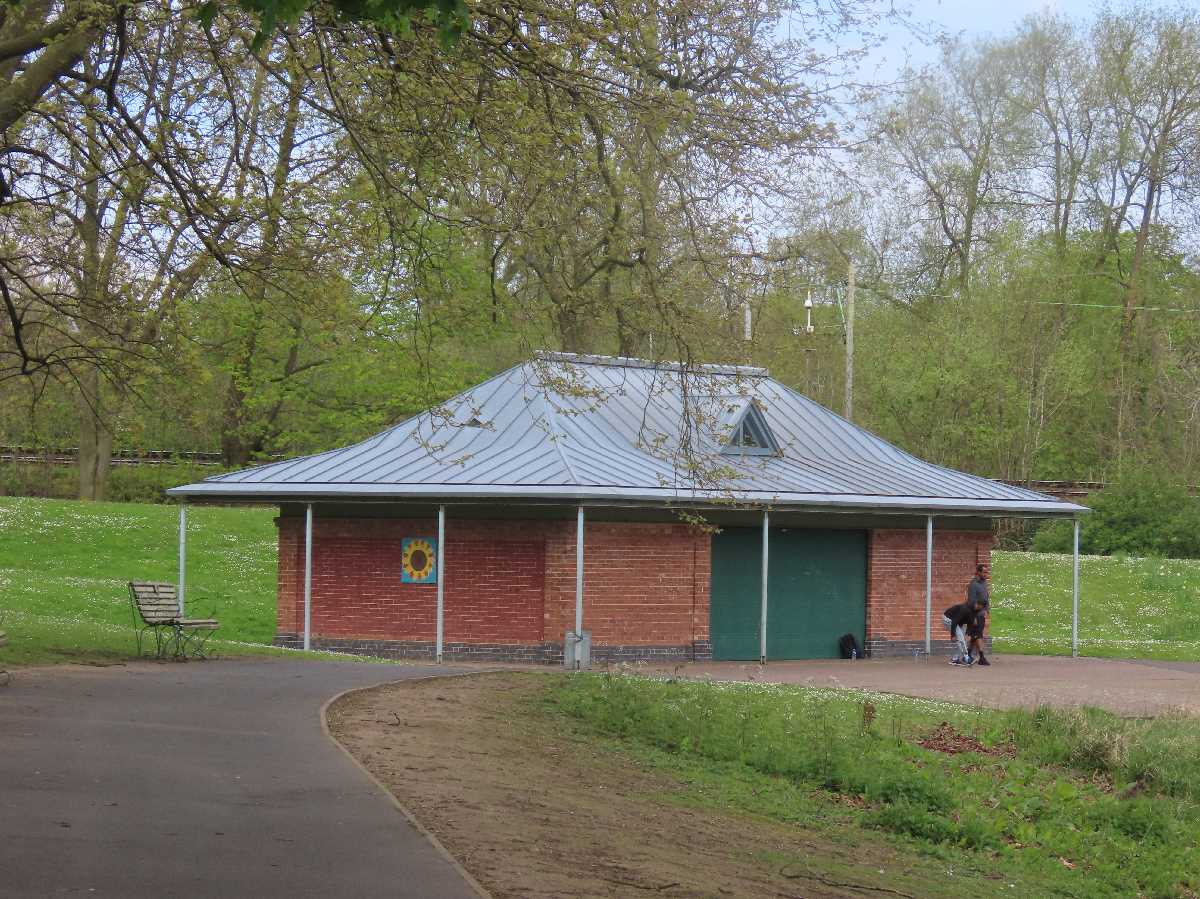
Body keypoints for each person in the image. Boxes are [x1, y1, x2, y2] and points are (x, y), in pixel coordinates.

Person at [942, 597, 982, 666]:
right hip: (948, 619)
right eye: (979, 606)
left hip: (957, 622)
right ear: (977, 604)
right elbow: (955, 621)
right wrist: (953, 635)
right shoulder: (965, 609)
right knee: (961, 639)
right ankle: (966, 658)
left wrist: (968, 634)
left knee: (963, 640)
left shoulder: (975, 611)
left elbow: (970, 623)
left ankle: (955, 659)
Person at [966, 565, 990, 665]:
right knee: (978, 635)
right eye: (984, 572)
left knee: (974, 635)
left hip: (982, 614)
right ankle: (982, 657)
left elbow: (986, 597)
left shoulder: (984, 583)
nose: (986, 574)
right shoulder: (973, 585)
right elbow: (971, 602)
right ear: (978, 572)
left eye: (986, 572)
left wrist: (987, 610)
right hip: (976, 615)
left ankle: (968, 655)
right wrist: (973, 617)